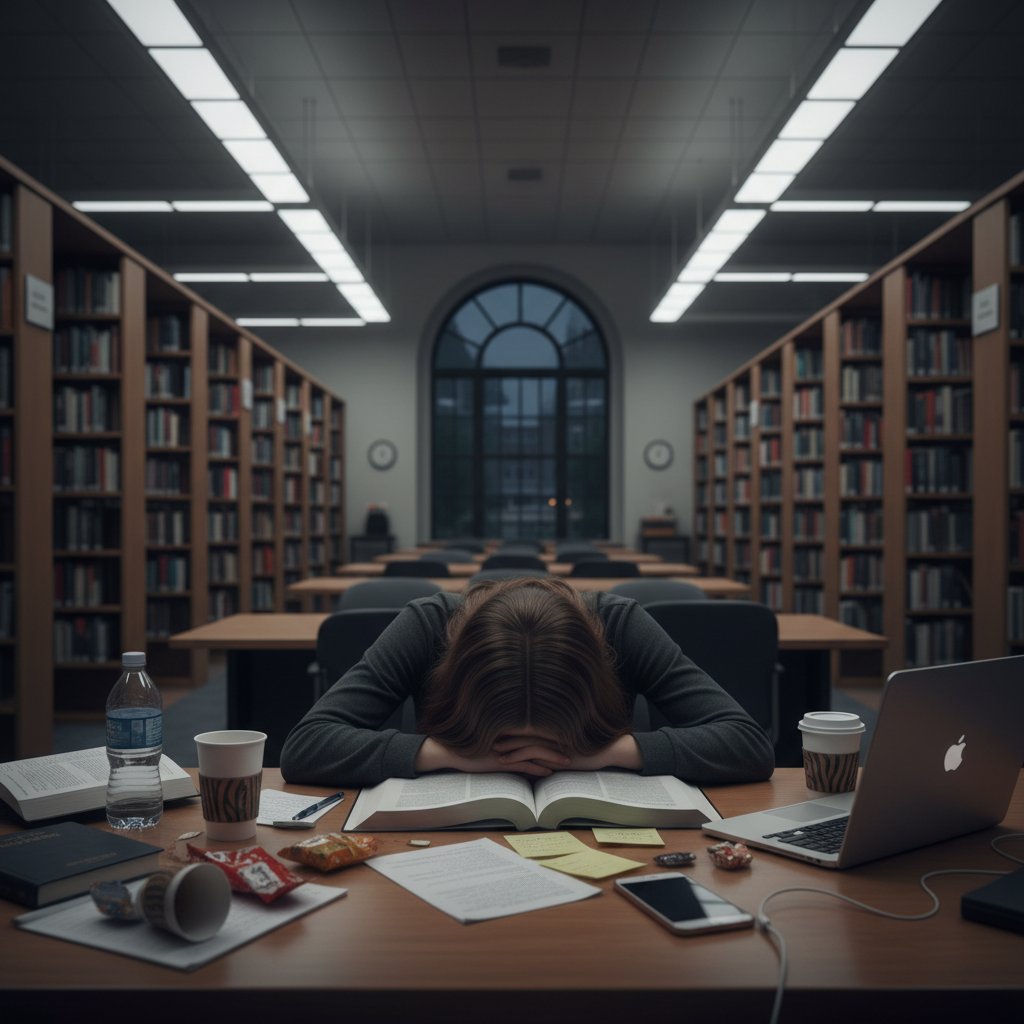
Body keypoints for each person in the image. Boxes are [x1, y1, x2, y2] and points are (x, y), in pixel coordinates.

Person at [280, 576, 774, 788]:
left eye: (548, 743)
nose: (528, 764)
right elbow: (305, 747)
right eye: (505, 743)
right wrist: (448, 754)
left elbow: (748, 743)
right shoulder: (428, 623)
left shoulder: (619, 623)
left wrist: (604, 753)